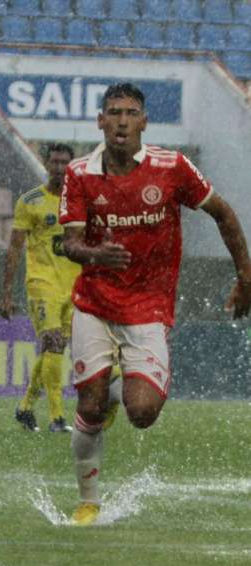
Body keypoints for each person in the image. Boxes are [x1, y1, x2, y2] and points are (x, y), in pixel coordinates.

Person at [59, 82, 251, 526]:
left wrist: (245, 277)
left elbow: (222, 213)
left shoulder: (172, 167)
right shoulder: (80, 173)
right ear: (100, 122)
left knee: (141, 413)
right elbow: (68, 244)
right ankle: (88, 502)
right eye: (113, 112)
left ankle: (112, 391)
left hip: (148, 306)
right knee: (87, 407)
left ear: (144, 121)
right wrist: (93, 254)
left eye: (130, 112)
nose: (121, 121)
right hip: (94, 303)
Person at [0, 143, 82, 434]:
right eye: (55, 162)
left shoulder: (80, 201)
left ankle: (24, 407)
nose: (60, 168)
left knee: (55, 348)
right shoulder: (30, 201)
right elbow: (14, 248)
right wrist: (7, 292)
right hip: (42, 284)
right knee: (53, 342)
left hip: (73, 286)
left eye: (65, 163)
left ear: (72, 167)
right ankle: (57, 417)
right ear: (46, 165)